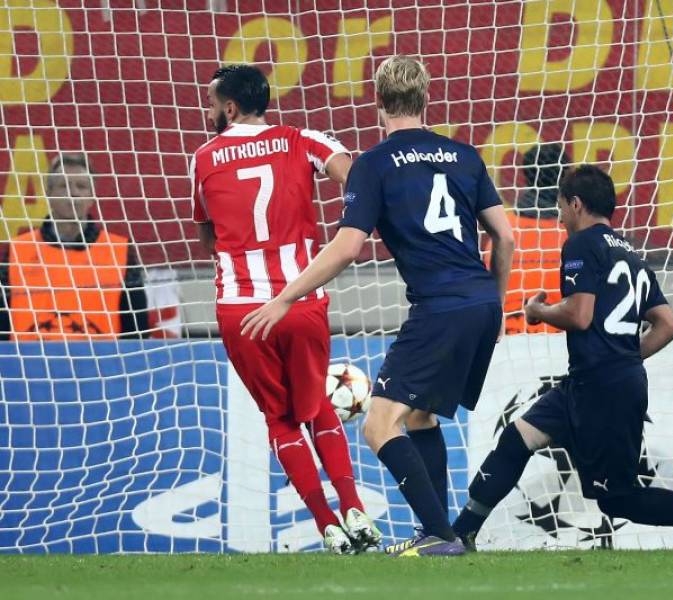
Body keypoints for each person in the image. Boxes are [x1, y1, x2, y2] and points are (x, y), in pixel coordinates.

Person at [240, 55, 515, 557]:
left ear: (379, 103)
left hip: (439, 306)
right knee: (420, 417)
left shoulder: (374, 164)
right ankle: (439, 532)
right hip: (480, 300)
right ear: (426, 98)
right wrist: (496, 304)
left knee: (377, 424)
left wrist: (285, 297)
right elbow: (505, 236)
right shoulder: (465, 155)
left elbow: (348, 248)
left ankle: (441, 536)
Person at [452, 165, 673, 551]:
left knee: (619, 499)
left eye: (560, 208)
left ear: (576, 204)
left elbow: (579, 315)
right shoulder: (631, 254)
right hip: (590, 383)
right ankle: (460, 533)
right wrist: (626, 358)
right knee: (516, 439)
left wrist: (538, 312)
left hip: (600, 388)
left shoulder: (581, 245)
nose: (559, 218)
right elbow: (667, 323)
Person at [190, 64, 380, 555]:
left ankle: (326, 525)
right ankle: (353, 505)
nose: (209, 113)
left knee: (280, 419)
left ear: (230, 107)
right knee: (316, 406)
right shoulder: (301, 139)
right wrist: (348, 227)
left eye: (212, 104)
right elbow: (355, 177)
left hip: (241, 309)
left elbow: (208, 235)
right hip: (300, 299)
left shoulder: (204, 158)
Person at [0, 153, 148, 341]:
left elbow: (137, 331)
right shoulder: (17, 250)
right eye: (64, 186)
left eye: (81, 186)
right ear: (48, 194)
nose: (73, 193)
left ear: (92, 196)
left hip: (101, 359)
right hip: (30, 359)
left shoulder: (120, 251)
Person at [501, 142, 570, 335]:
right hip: (561, 338)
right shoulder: (573, 235)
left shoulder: (502, 232)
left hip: (508, 336)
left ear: (526, 175)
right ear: (564, 178)